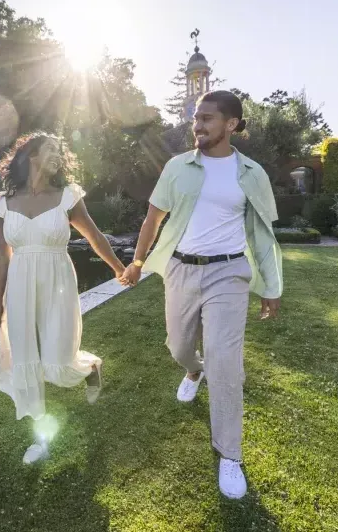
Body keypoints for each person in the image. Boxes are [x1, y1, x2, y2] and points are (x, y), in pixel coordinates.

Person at [120, 90, 283, 500]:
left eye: (207, 118)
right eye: (196, 118)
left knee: (227, 362)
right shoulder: (178, 167)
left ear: (232, 125)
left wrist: (271, 284)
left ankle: (230, 454)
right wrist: (138, 261)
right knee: (177, 346)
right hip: (180, 268)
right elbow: (153, 218)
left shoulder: (251, 174)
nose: (198, 125)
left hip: (229, 273)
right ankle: (194, 370)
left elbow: (263, 235)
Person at [0, 132, 126, 464]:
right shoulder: (5, 202)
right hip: (19, 284)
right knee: (25, 359)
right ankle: (41, 438)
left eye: (61, 152)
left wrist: (120, 269)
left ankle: (90, 367)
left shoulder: (67, 197)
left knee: (59, 360)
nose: (59, 156)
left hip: (58, 281)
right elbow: (1, 255)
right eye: (52, 150)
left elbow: (94, 236)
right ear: (31, 156)